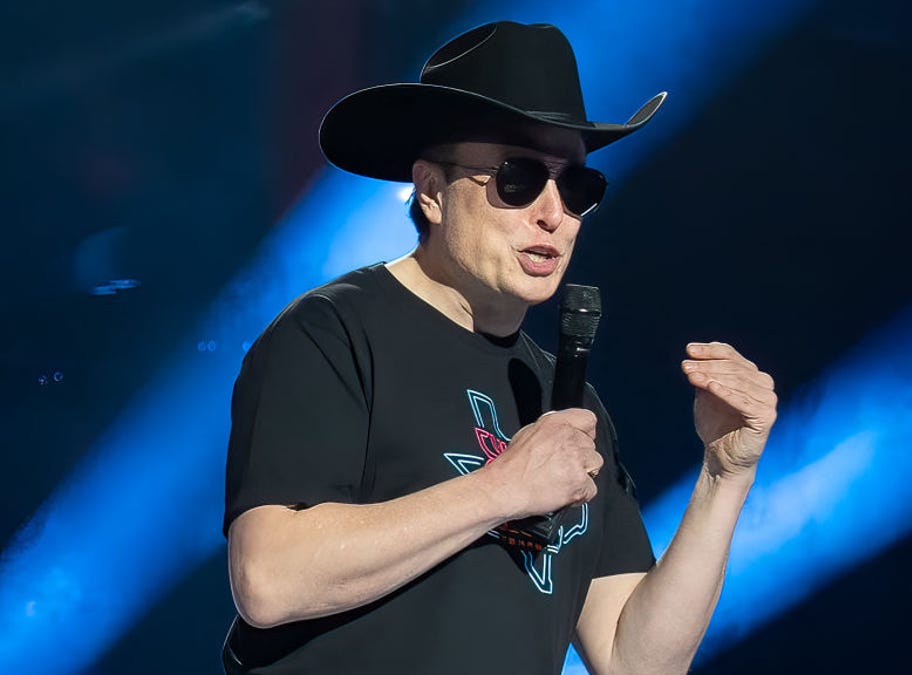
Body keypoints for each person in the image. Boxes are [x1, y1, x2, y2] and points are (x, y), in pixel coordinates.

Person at [221, 20, 777, 674]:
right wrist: (500, 490)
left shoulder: (569, 402)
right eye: (518, 177)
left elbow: (636, 660)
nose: (553, 214)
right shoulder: (333, 333)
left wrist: (724, 476)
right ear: (431, 191)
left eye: (576, 188)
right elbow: (268, 577)